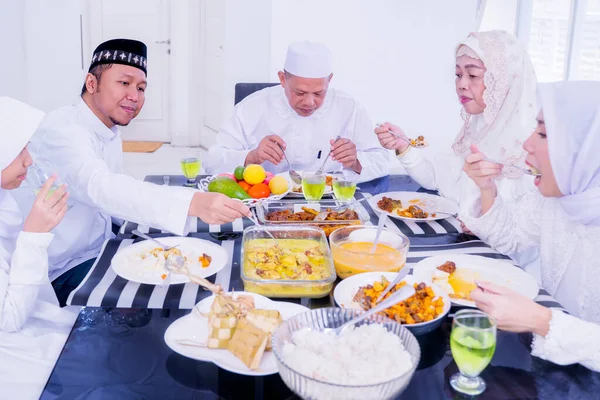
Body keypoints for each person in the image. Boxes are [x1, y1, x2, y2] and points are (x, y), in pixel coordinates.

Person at [26, 39, 250, 306]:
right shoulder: (64, 131)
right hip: (63, 268)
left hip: (101, 246)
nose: (135, 95)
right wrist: (190, 203)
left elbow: (119, 188)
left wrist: (181, 212)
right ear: (91, 83)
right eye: (124, 83)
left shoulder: (107, 128)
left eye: (141, 87)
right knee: (173, 294)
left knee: (196, 261)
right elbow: (101, 186)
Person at [461, 81, 600, 371]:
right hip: (550, 363)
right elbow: (510, 238)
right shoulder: (556, 199)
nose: (526, 144)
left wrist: (542, 321)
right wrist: (486, 188)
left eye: (544, 133)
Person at [374, 30, 537, 211]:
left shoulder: (529, 151)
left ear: (502, 80)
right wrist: (403, 146)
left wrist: (483, 224)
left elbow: (521, 229)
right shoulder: (478, 128)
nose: (461, 84)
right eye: (458, 74)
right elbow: (440, 182)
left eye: (473, 75)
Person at [204, 41, 388, 183]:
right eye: (299, 92)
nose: (309, 102)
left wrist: (355, 162)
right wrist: (252, 156)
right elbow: (211, 162)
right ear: (282, 79)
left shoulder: (349, 107)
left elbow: (382, 161)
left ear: (329, 80)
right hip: (267, 200)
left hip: (331, 206)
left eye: (319, 93)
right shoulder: (252, 106)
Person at [0, 97, 78, 399]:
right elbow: (9, 319)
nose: (29, 160)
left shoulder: (4, 199)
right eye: (19, 149)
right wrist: (34, 234)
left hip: (35, 312)